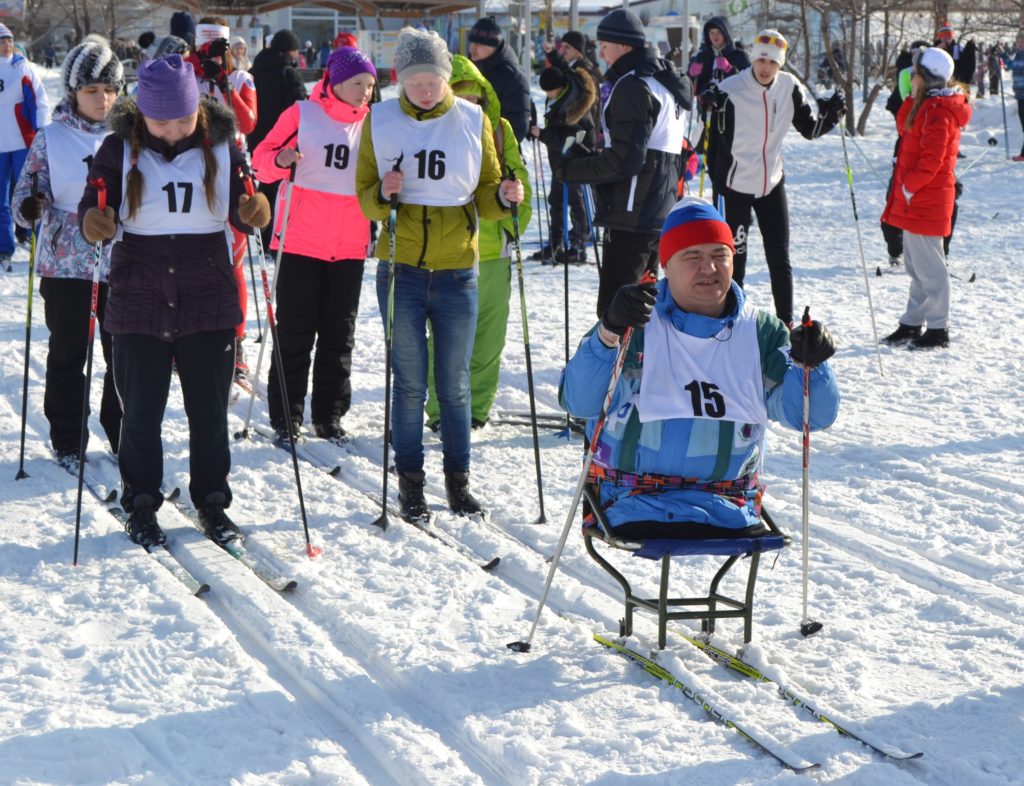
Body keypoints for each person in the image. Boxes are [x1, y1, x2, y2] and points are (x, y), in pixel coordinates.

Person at [77, 54, 272, 547]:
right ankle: (141, 502)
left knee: (208, 412)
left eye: (182, 120)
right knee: (140, 411)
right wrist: (93, 220)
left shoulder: (225, 147)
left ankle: (212, 500)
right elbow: (92, 202)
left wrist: (254, 209)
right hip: (138, 286)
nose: (171, 130)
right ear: (142, 113)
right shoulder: (117, 148)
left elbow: (246, 203)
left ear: (198, 111)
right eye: (160, 121)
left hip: (205, 286)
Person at [560, 197, 839, 538]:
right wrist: (608, 332)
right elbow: (580, 401)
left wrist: (812, 366)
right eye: (692, 257)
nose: (708, 269)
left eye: (719, 255)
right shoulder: (636, 322)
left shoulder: (761, 333)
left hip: (728, 507)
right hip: (629, 502)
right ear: (667, 265)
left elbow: (810, 417)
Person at [355, 28, 523, 522]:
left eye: (432, 80)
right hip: (401, 268)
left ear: (446, 78)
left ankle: (458, 481)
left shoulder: (471, 119)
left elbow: (489, 192)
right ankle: (411, 482)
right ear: (401, 80)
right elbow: (363, 191)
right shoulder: (380, 120)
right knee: (408, 384)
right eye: (415, 81)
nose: (425, 90)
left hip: (457, 272)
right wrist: (383, 193)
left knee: (453, 384)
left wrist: (506, 198)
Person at [252, 46, 376, 443]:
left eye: (371, 86)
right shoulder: (302, 113)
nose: (365, 93)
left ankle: (329, 414)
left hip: (349, 246)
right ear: (335, 82)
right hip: (300, 241)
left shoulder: (373, 125)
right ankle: (286, 416)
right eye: (357, 84)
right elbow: (260, 159)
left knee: (339, 336)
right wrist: (282, 159)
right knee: (294, 334)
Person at [12, 37, 124, 468]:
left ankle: (122, 433)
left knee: (124, 355)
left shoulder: (129, 135)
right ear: (74, 92)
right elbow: (24, 194)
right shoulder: (50, 137)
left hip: (120, 260)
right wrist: (29, 206)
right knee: (68, 352)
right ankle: (68, 438)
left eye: (110, 90)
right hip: (66, 262)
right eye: (93, 90)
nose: (103, 99)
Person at [701, 29, 843, 327]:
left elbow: (810, 129)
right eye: (761, 60)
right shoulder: (730, 89)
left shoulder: (789, 87)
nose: (766, 68)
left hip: (771, 183)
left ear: (780, 64)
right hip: (735, 186)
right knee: (734, 260)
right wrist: (719, 184)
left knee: (780, 258)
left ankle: (786, 323)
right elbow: (712, 145)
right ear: (753, 59)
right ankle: (731, 319)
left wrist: (831, 115)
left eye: (773, 63)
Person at [561, 8, 692, 319]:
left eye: (604, 45)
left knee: (615, 310)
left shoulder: (634, 85)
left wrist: (574, 169)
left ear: (624, 45)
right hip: (656, 210)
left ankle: (621, 367)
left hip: (632, 214)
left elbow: (626, 161)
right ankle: (640, 364)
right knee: (643, 306)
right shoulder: (664, 82)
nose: (601, 52)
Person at [424, 54, 532, 430]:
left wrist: (515, 220)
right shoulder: (432, 133)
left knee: (488, 339)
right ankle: (441, 412)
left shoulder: (499, 131)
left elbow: (522, 182)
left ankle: (476, 410)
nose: (470, 108)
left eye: (476, 101)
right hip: (448, 253)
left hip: (493, 253)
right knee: (447, 341)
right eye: (460, 99)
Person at [880, 47, 971, 350]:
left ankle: (938, 327)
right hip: (917, 201)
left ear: (928, 79)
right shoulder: (925, 106)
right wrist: (910, 96)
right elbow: (903, 127)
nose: (911, 79)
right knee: (916, 267)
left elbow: (933, 160)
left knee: (932, 269)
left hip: (926, 200)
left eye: (915, 75)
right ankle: (912, 322)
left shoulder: (940, 113)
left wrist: (909, 186)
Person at [191, 19, 260, 385]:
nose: (215, 55)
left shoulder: (240, 80)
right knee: (188, 252)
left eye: (220, 47)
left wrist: (222, 82)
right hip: (188, 169)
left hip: (230, 172)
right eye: (208, 48)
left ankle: (236, 342)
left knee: (232, 259)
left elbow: (248, 123)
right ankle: (190, 334)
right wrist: (196, 66)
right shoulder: (187, 72)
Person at [531, 63, 596, 264]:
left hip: (575, 160)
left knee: (576, 201)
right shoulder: (561, 98)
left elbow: (567, 141)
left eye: (550, 91)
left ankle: (578, 244)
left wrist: (542, 134)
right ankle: (556, 243)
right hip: (560, 161)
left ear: (559, 87)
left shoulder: (572, 105)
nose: (548, 95)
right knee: (556, 200)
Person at [248, 29, 307, 248]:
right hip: (283, 141)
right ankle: (277, 237)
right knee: (282, 192)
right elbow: (300, 108)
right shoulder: (288, 74)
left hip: (257, 138)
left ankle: (261, 234)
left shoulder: (255, 70)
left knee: (265, 186)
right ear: (289, 51)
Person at [0, 23, 50, 266]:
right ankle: (3, 246)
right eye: (1, 41)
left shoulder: (22, 68)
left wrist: (41, 130)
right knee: (1, 199)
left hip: (22, 142)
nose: (6, 45)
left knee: (31, 195)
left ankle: (36, 241)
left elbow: (40, 101)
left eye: (9, 40)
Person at [467, 17, 531, 143]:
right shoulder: (467, 70)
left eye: (479, 43)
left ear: (494, 46)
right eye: (472, 42)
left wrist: (487, 148)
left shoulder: (513, 77)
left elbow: (517, 129)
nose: (472, 48)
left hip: (496, 156)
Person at [686, 16, 749, 113]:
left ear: (726, 33)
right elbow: (691, 88)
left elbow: (748, 82)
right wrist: (691, 76)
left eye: (719, 32)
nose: (715, 36)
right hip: (706, 106)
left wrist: (730, 70)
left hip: (731, 106)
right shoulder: (702, 56)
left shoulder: (739, 55)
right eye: (712, 32)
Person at [934, 22, 976, 86]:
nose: (945, 37)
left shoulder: (958, 49)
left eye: (948, 34)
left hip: (955, 84)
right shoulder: (933, 50)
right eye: (942, 34)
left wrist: (970, 50)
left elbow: (967, 68)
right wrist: (937, 50)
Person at [1007, 32, 1024, 161]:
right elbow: (1012, 66)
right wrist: (1002, 55)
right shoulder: (1018, 54)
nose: (1019, 44)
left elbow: (1018, 66)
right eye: (1018, 42)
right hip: (1019, 94)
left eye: (1022, 41)